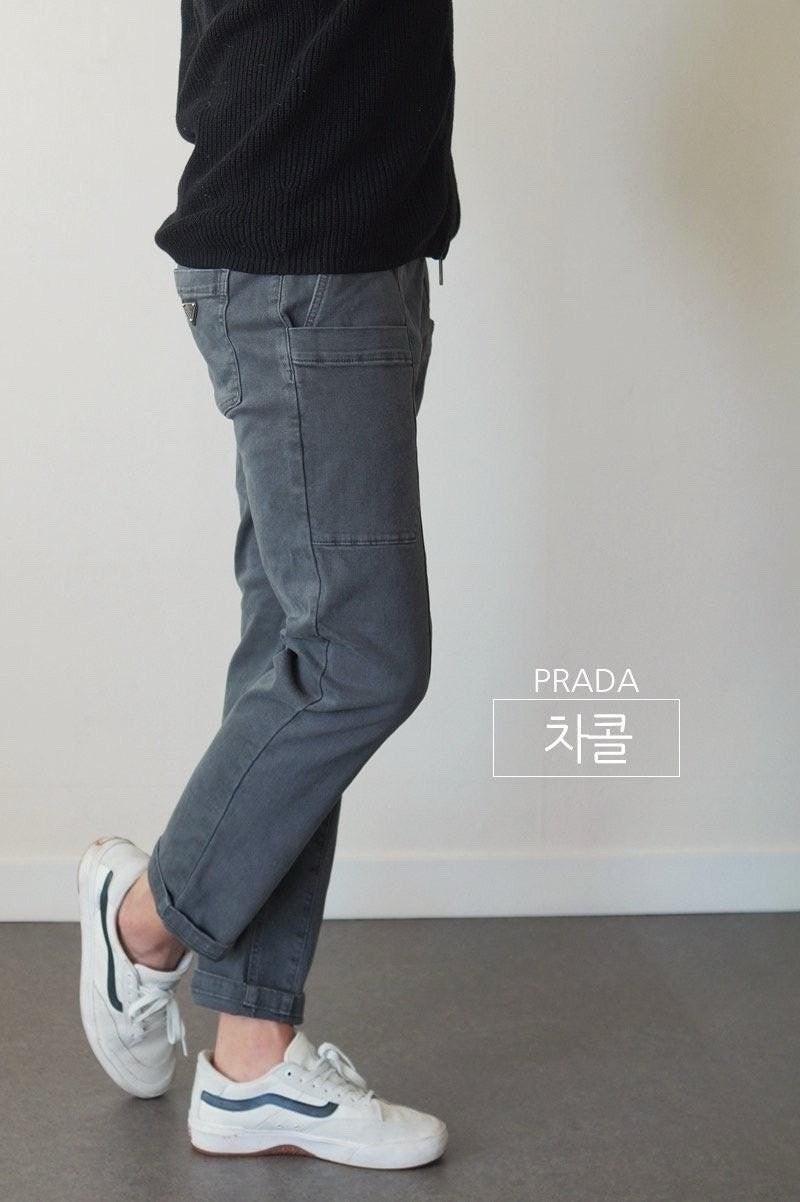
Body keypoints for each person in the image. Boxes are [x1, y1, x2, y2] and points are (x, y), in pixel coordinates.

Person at [78, 0, 460, 1172]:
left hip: (346, 245)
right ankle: (146, 922)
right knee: (358, 658)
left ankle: (250, 1055)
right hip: (308, 260)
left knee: (295, 653)